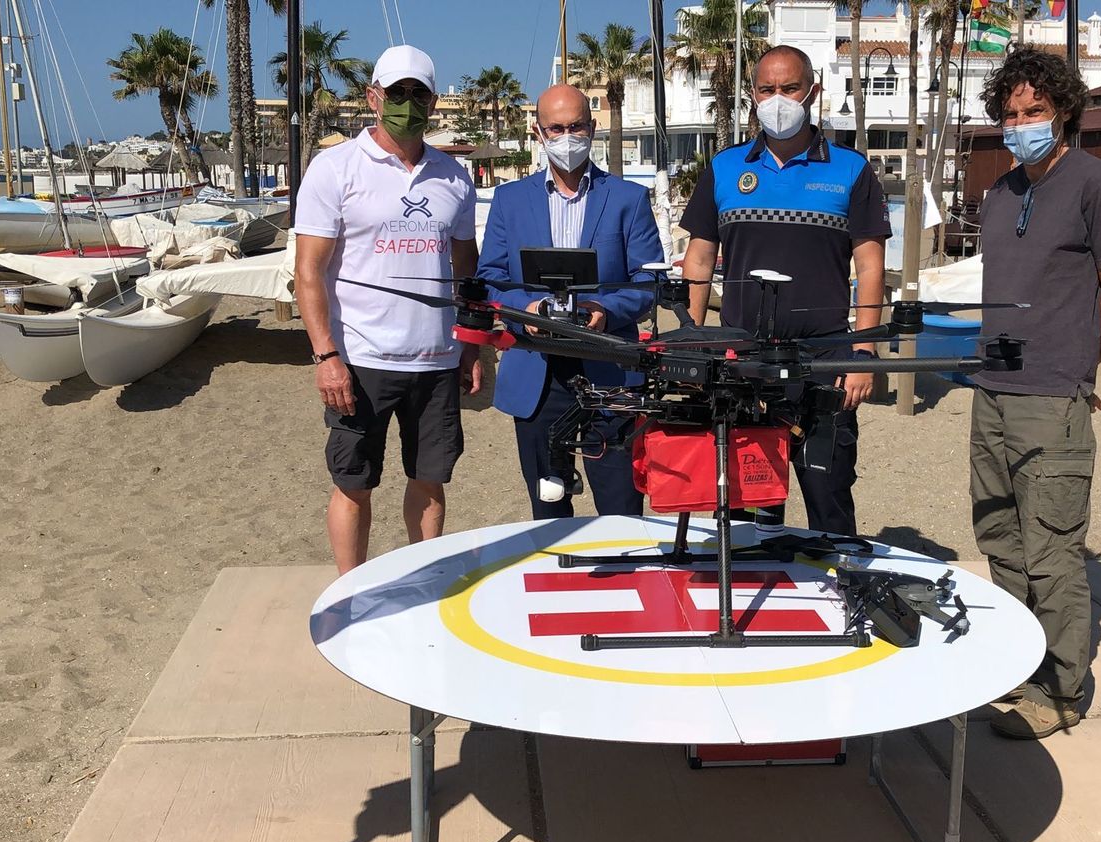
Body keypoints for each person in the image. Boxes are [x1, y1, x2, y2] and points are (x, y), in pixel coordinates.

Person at [970, 48, 1101, 739]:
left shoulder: (1096, 183)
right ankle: (1016, 666)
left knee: (1051, 549)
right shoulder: (1001, 191)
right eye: (1010, 114)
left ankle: (1063, 687)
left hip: (1053, 399)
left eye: (1034, 111)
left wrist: (1080, 368)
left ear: (1062, 109)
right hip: (992, 392)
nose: (1021, 123)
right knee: (1000, 540)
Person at [679, 45, 890, 537]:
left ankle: (840, 595)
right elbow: (700, 258)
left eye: (789, 88)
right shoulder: (726, 167)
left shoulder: (851, 169)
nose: (778, 99)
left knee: (829, 494)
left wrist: (863, 350)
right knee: (748, 506)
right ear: (752, 95)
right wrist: (692, 339)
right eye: (767, 89)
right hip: (742, 363)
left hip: (825, 363)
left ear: (812, 92)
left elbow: (871, 266)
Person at [293, 44, 483, 573]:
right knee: (354, 484)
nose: (406, 102)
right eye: (396, 92)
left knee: (430, 480)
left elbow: (466, 272)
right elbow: (307, 271)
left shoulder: (453, 177)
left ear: (433, 100)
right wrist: (325, 355)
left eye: (417, 93)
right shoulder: (335, 168)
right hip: (360, 358)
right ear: (373, 96)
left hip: (436, 360)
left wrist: (471, 348)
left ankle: (422, 585)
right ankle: (349, 594)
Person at [478, 84, 663, 519]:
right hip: (538, 376)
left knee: (620, 506)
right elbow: (491, 278)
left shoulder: (628, 199)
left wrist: (606, 310)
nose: (567, 137)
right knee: (548, 508)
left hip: (610, 372)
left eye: (575, 126)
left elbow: (648, 283)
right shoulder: (510, 200)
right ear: (538, 133)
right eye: (556, 128)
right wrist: (526, 311)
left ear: (593, 128)